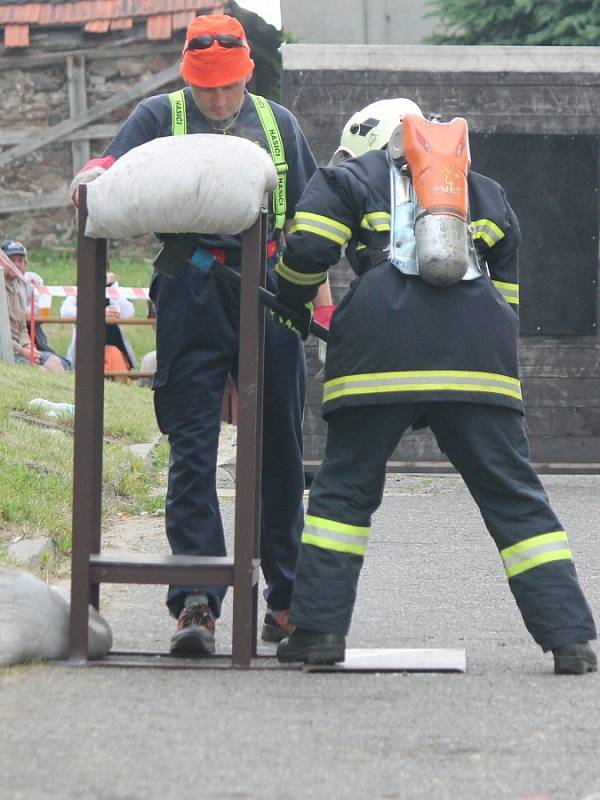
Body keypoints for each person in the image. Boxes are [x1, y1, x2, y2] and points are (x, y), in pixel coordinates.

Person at [272, 98, 598, 675]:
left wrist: (290, 303)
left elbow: (308, 250)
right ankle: (570, 638)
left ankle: (319, 632)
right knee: (513, 496)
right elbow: (509, 299)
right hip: (478, 359)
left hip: (379, 356)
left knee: (343, 494)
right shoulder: (486, 192)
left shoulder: (348, 177)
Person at [70, 13, 326, 656]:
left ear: (248, 74)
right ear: (190, 76)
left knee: (279, 450)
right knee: (191, 447)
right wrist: (91, 178)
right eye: (206, 87)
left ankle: (288, 600)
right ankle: (196, 602)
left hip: (269, 288)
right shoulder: (160, 116)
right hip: (190, 287)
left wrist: (320, 306)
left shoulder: (279, 124)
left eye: (227, 87)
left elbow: (312, 217)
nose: (216, 99)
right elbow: (109, 165)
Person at [1, 240, 67, 373]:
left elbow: (22, 328)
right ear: (1, 262)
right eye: (12, 260)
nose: (17, 265)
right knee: (42, 371)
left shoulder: (19, 287)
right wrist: (23, 351)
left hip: (20, 348)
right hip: (5, 351)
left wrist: (30, 347)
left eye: (20, 260)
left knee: (55, 362)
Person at [60, 269, 136, 379]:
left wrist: (112, 287)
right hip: (86, 346)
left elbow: (128, 313)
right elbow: (65, 312)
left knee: (113, 355)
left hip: (114, 344)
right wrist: (98, 313)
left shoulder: (114, 289)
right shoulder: (80, 289)